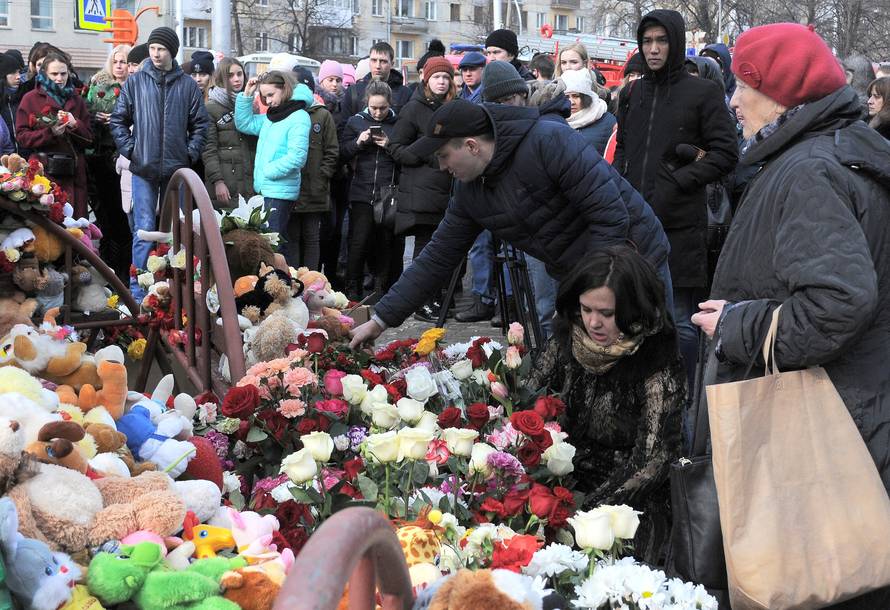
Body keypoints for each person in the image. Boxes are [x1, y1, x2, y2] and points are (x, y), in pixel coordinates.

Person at [691, 24, 890, 609]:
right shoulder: (832, 154)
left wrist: (737, 326)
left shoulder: (809, 171)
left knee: (821, 582)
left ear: (780, 94)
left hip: (830, 420)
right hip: (854, 410)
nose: (732, 100)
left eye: (743, 85)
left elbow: (839, 301)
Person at [349, 98, 671, 348]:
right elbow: (437, 258)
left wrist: (589, 297)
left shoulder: (549, 141)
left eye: (444, 156)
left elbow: (610, 218)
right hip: (582, 276)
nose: (442, 167)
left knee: (654, 369)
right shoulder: (468, 190)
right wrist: (380, 320)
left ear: (472, 146)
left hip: (638, 258)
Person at [527, 246, 684, 564]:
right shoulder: (568, 337)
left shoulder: (656, 358)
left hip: (628, 496)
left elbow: (652, 460)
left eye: (607, 314)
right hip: (563, 478)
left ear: (631, 310)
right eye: (586, 309)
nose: (593, 323)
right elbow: (528, 400)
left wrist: (584, 515)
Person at [614, 9, 738, 394]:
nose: (653, 49)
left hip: (681, 223)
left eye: (661, 41)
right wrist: (618, 187)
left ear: (676, 42)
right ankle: (644, 391)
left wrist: (680, 180)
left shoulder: (702, 92)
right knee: (634, 312)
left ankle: (682, 396)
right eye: (647, 41)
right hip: (635, 222)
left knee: (681, 318)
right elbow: (623, 150)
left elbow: (726, 153)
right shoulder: (633, 92)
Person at [110, 27, 209, 299]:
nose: (155, 53)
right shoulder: (136, 81)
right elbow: (118, 120)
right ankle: (139, 292)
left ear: (172, 52)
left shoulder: (187, 85)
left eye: (161, 48)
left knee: (175, 231)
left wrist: (188, 154)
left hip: (176, 171)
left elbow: (200, 125)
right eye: (152, 47)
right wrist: (132, 151)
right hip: (143, 168)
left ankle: (173, 290)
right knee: (143, 230)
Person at [385, 55, 457, 322]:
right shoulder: (414, 109)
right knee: (426, 251)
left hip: (448, 190)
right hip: (423, 192)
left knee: (443, 249)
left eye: (446, 77)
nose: (441, 81)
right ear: (426, 78)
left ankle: (437, 298)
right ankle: (422, 302)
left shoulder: (454, 106)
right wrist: (427, 156)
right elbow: (396, 147)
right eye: (437, 76)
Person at [234, 71, 313, 262]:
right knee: (273, 243)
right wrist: (247, 94)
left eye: (271, 95)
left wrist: (267, 171)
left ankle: (283, 284)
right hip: (267, 189)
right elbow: (245, 123)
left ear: (284, 89)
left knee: (274, 245)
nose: (267, 101)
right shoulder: (273, 116)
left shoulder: (298, 117)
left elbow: (297, 157)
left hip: (279, 191)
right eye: (264, 96)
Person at [340, 80, 402, 301]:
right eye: (374, 108)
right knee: (358, 242)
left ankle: (382, 289)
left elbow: (406, 156)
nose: (377, 113)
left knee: (386, 243)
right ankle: (352, 290)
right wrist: (359, 142)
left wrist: (389, 145)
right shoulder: (355, 122)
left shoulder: (398, 123)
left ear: (389, 104)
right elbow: (342, 153)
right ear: (367, 103)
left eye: (382, 108)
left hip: (388, 192)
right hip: (362, 190)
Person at [15, 51, 93, 216]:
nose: (59, 78)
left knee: (76, 227)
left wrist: (75, 124)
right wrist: (50, 133)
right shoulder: (30, 99)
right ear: (44, 74)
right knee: (49, 224)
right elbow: (22, 137)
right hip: (44, 171)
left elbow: (89, 139)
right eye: (54, 74)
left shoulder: (76, 99)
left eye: (63, 73)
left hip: (74, 172)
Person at [85, 44, 132, 281]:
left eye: (124, 61)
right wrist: (96, 118)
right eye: (116, 61)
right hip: (102, 159)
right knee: (108, 218)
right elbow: (86, 115)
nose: (120, 66)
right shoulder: (98, 85)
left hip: (125, 157)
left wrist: (119, 120)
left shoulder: (134, 87)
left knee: (125, 219)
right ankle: (109, 269)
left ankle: (124, 270)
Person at [288, 68, 338, 271]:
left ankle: (311, 281)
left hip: (315, 189)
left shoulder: (322, 115)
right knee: (291, 237)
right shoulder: (287, 113)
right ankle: (293, 281)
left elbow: (332, 151)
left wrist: (322, 176)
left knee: (311, 237)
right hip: (291, 188)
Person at [203, 57, 256, 209]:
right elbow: (209, 150)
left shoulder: (251, 104)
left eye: (239, 74)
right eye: (230, 75)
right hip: (225, 183)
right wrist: (218, 181)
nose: (237, 79)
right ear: (221, 78)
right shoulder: (211, 108)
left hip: (248, 183)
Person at [342, 43, 412, 118]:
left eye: (383, 61)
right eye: (374, 60)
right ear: (369, 62)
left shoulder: (405, 94)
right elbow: (344, 126)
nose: (378, 66)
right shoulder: (353, 92)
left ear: (392, 64)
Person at [561, 69, 616, 156]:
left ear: (586, 97)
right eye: (567, 97)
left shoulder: (608, 121)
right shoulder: (556, 119)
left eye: (576, 96)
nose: (571, 102)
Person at [0, 51, 23, 153]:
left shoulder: (23, 95)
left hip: (23, 157)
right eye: (13, 72)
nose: (18, 76)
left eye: (19, 72)